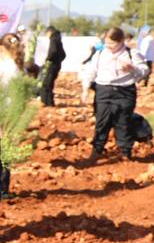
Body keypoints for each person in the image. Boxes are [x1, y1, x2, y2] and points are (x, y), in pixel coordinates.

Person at [79, 27, 148, 162]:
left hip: (125, 92)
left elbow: (144, 70)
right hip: (103, 91)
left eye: (112, 43)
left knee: (123, 122)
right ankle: (97, 150)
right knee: (102, 122)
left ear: (121, 41)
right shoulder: (100, 54)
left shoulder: (131, 53)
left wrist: (132, 69)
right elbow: (90, 72)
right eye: (107, 42)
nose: (109, 46)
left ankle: (125, 152)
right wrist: (85, 89)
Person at [39, 26, 66, 106]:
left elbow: (53, 51)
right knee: (50, 84)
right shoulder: (58, 39)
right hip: (57, 65)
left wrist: (48, 60)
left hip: (52, 66)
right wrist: (58, 61)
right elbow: (63, 55)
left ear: (50, 32)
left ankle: (47, 102)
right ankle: (49, 102)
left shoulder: (53, 39)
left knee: (46, 85)